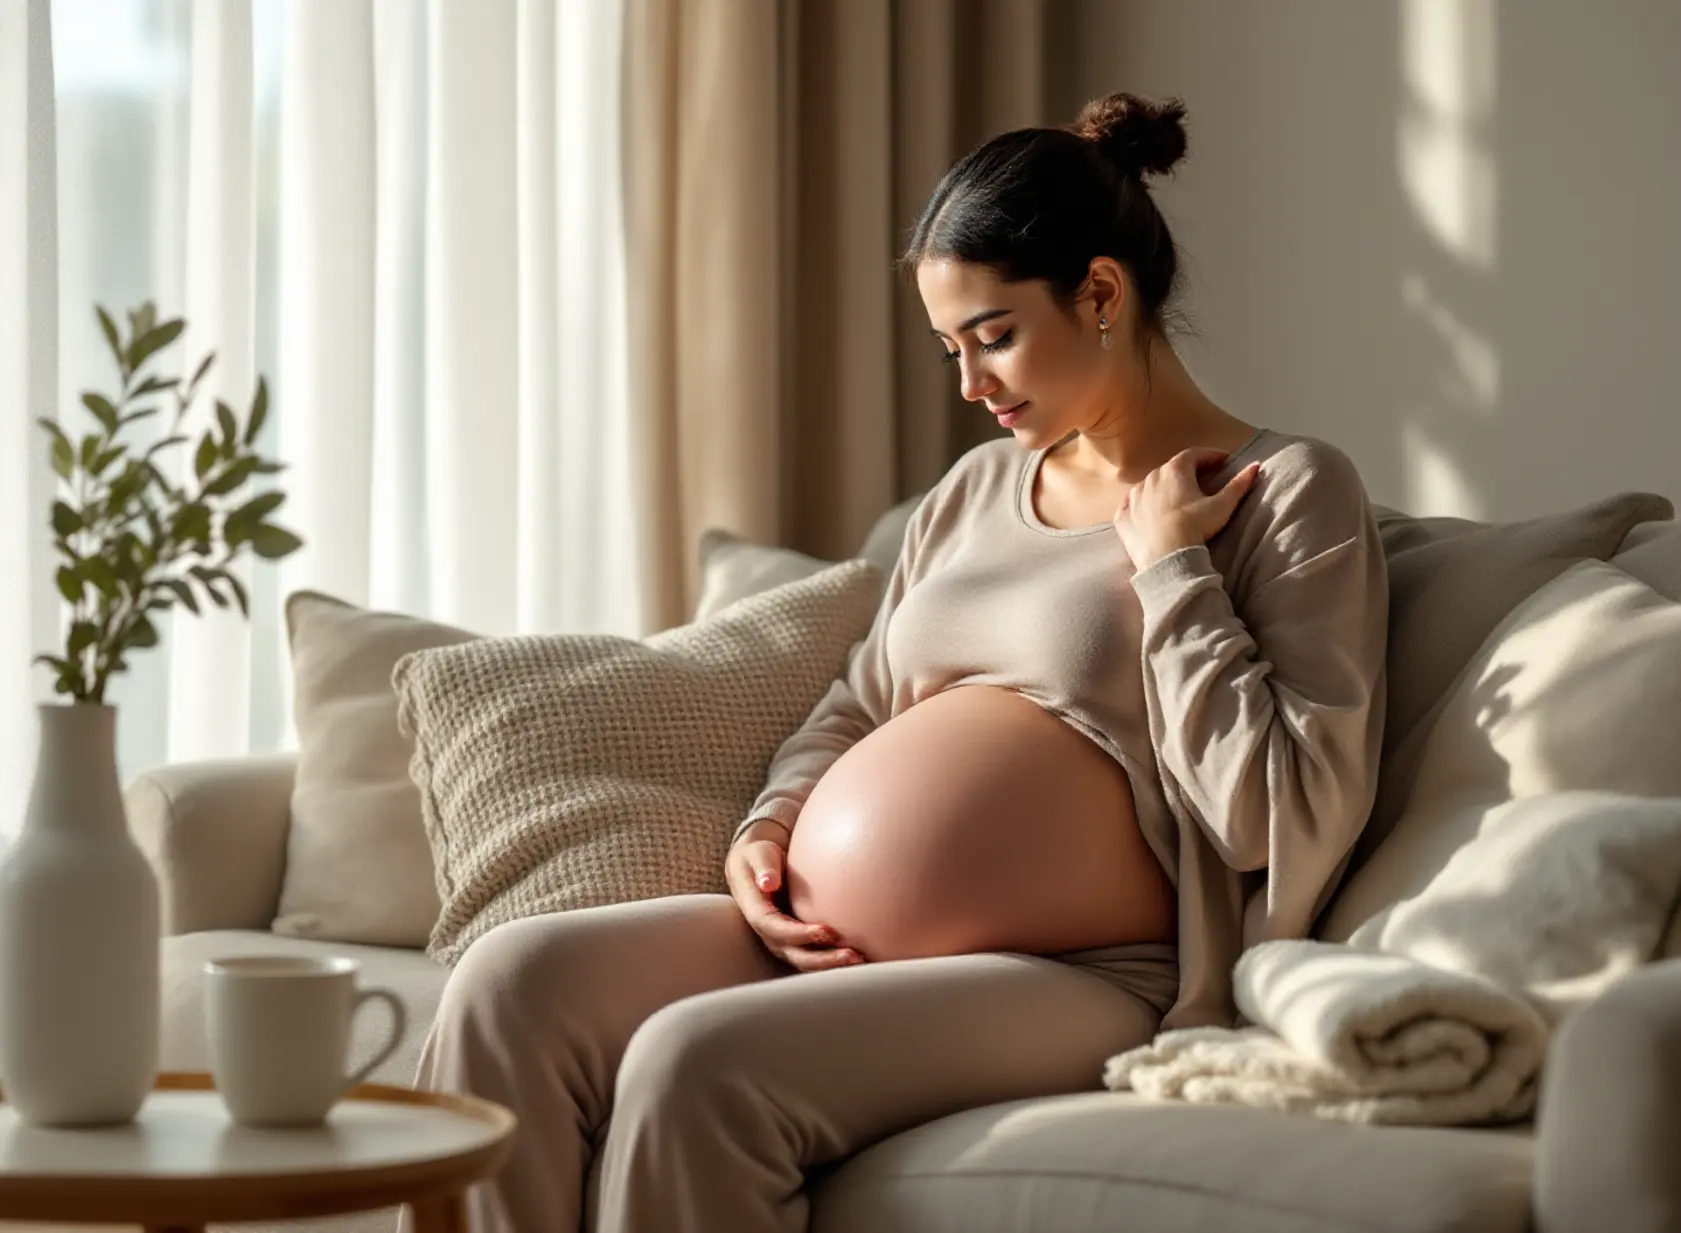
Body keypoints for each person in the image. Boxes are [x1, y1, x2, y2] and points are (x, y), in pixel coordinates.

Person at [404, 92, 1389, 1233]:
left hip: (1094, 977)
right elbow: (857, 701)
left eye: (994, 335)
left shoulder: (1286, 493)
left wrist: (1172, 570)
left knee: (692, 1064)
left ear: (1102, 294)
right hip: (830, 941)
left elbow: (1286, 817)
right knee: (508, 984)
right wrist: (767, 831)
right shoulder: (972, 493)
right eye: (949, 349)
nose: (970, 385)